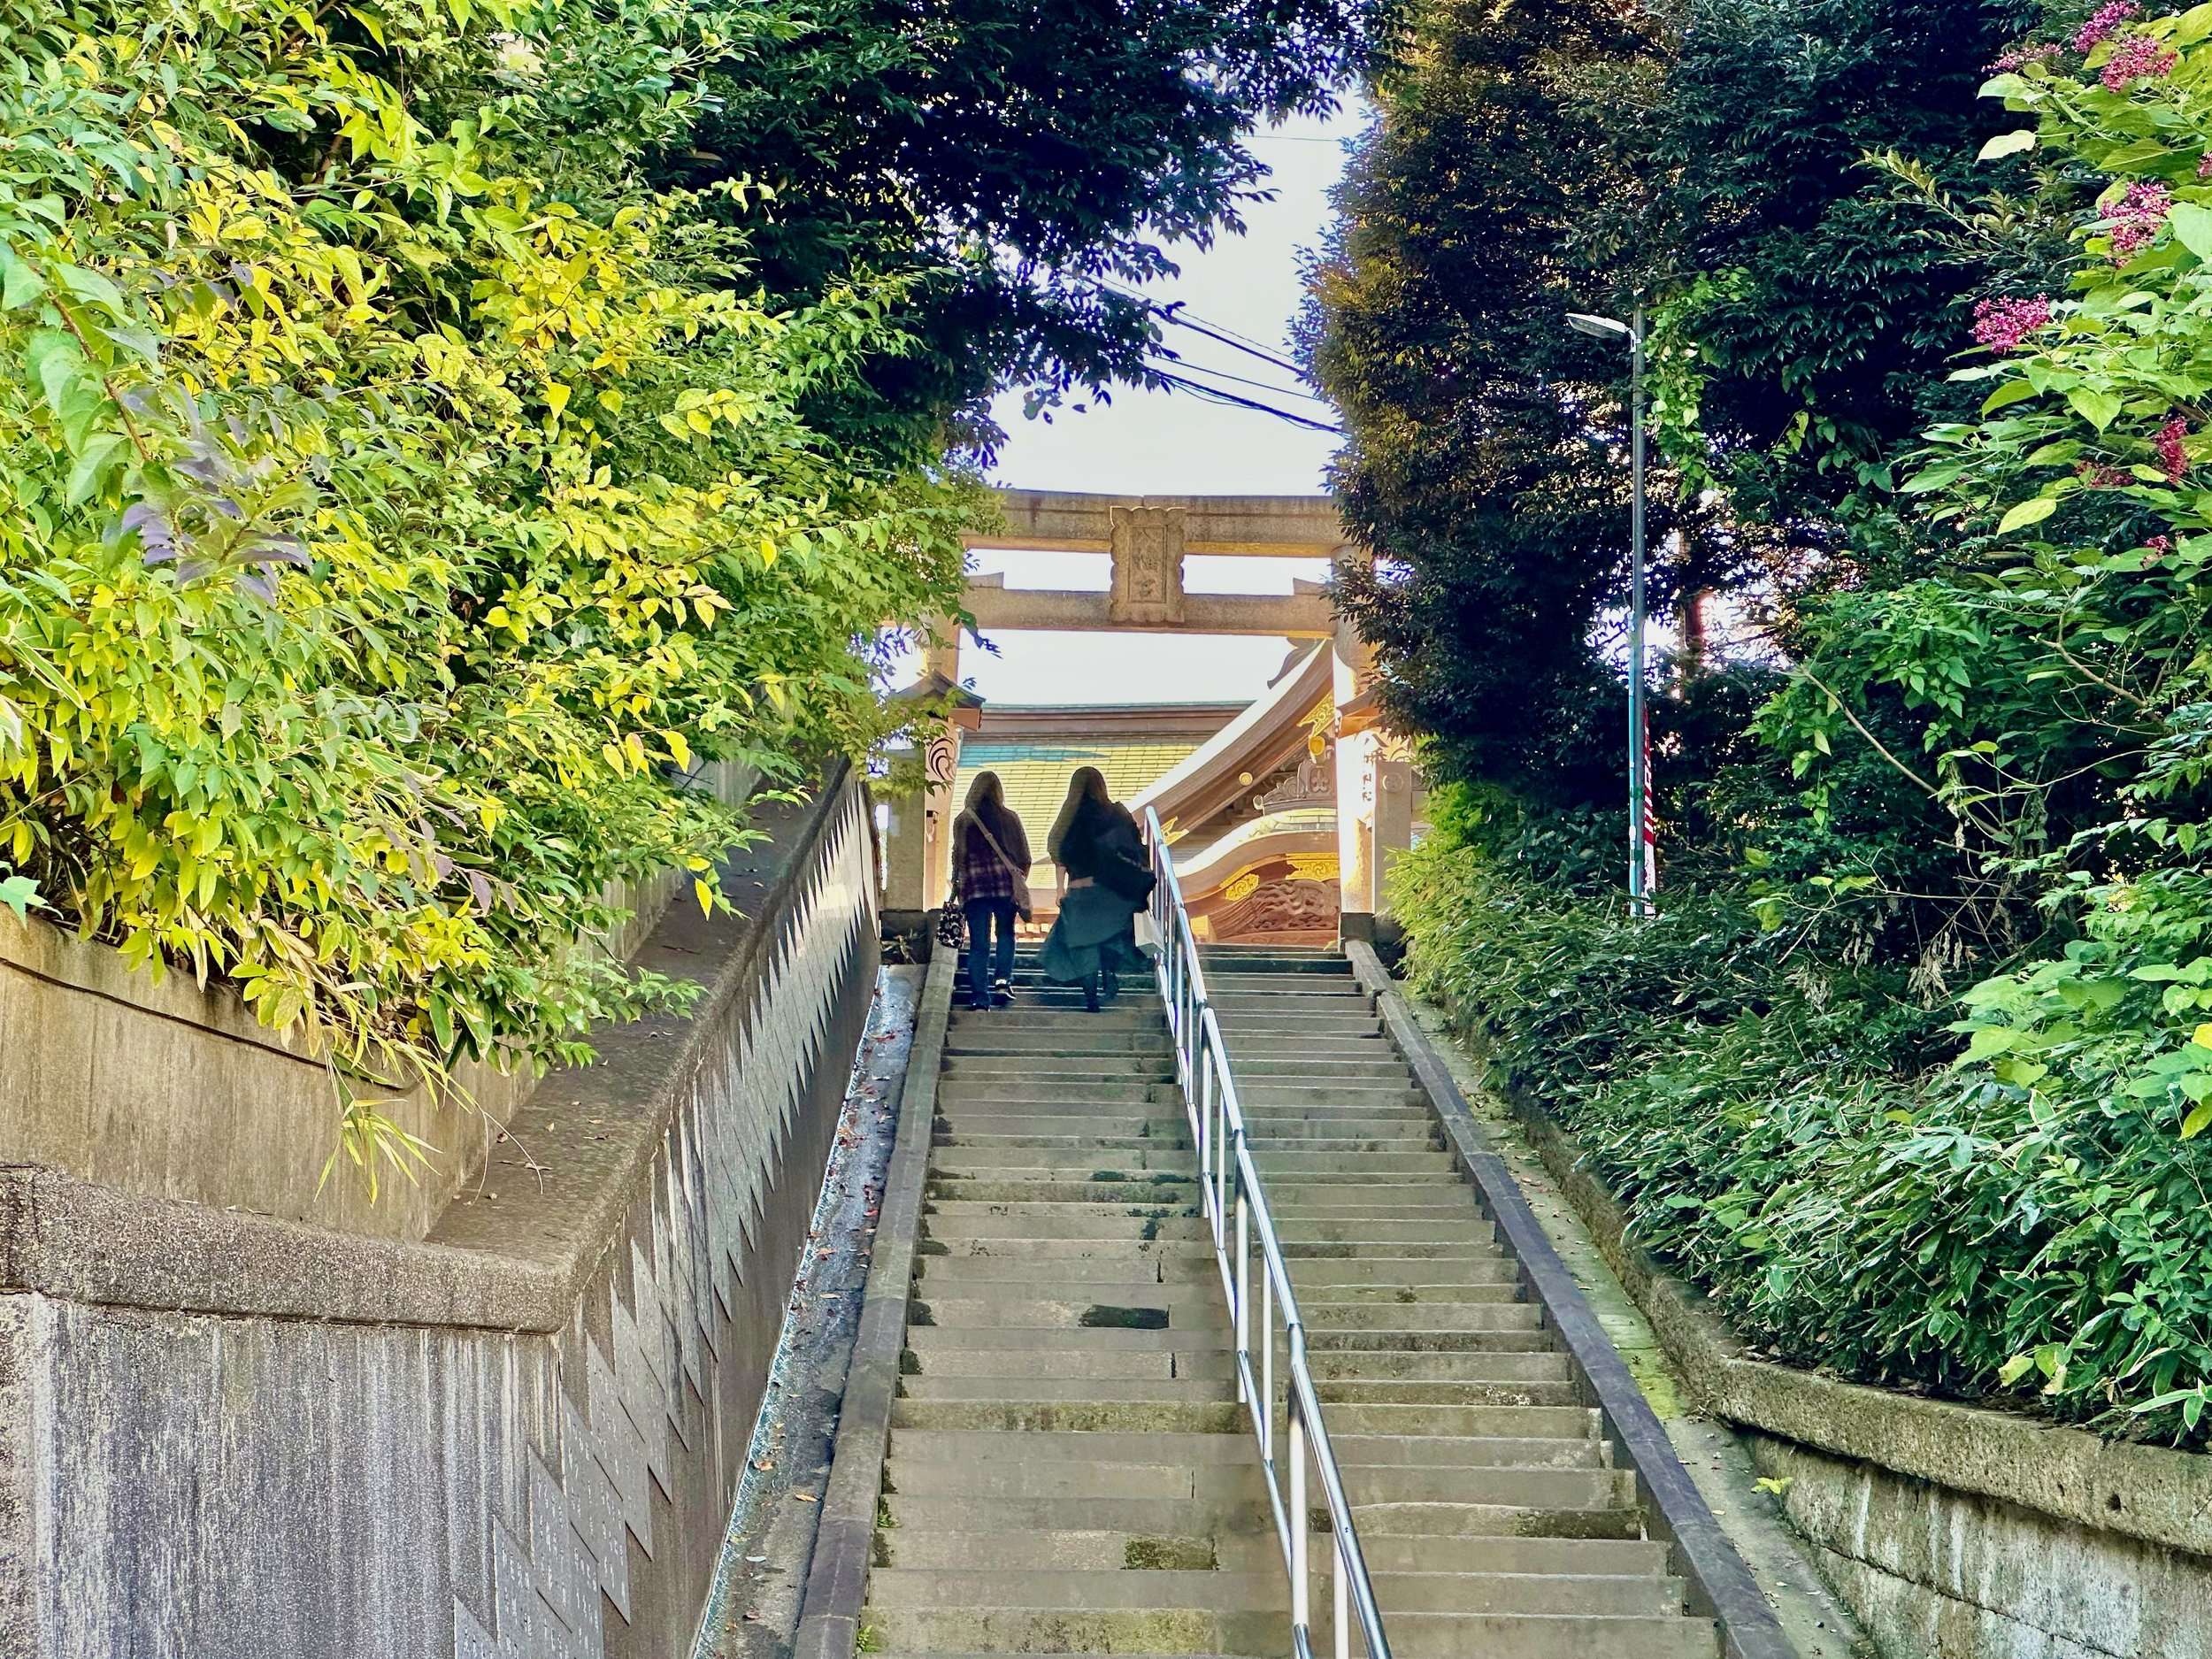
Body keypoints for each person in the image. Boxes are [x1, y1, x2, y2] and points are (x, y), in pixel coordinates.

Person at [1038, 766, 1154, 1012]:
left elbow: (1058, 854)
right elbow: (1135, 847)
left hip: (1080, 892)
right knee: (1110, 938)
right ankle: (1109, 973)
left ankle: (1091, 997)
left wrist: (1060, 889)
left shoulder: (1069, 818)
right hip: (1110, 893)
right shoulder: (1116, 814)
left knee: (1083, 946)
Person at [949, 772, 1032, 1012]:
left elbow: (959, 857)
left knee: (978, 943)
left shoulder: (964, 820)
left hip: (975, 888)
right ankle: (1003, 982)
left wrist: (958, 883)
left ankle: (979, 997)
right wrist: (1020, 880)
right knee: (1006, 934)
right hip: (1004, 886)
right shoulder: (1010, 819)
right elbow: (1024, 856)